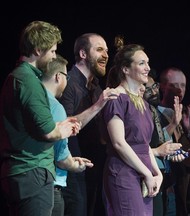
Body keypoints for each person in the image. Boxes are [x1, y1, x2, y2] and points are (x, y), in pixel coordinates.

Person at [0, 21, 81, 216]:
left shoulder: (17, 77)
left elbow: (35, 126)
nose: (54, 56)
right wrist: (63, 129)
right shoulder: (28, 82)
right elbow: (47, 132)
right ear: (38, 50)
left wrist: (61, 124)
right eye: (52, 51)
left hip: (23, 174)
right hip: (32, 172)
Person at [59, 33, 118, 216]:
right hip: (72, 169)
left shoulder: (96, 88)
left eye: (107, 51)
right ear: (83, 54)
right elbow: (64, 127)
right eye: (99, 49)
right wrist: (98, 105)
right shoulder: (68, 83)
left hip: (94, 168)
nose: (106, 55)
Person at [102, 43, 163, 215]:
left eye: (148, 63)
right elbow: (119, 143)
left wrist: (157, 173)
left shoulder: (143, 104)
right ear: (126, 69)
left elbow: (145, 145)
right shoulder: (116, 98)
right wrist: (147, 173)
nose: (147, 68)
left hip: (144, 175)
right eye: (142, 63)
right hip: (124, 173)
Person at [41, 54, 94, 216]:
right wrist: (76, 165)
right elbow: (61, 158)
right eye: (66, 77)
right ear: (58, 76)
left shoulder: (33, 101)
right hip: (51, 184)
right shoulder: (56, 106)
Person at [159, 66, 190, 216]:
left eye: (183, 85)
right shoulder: (154, 112)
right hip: (164, 184)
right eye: (174, 85)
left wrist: (188, 130)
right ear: (162, 86)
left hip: (182, 186)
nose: (179, 90)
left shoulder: (185, 115)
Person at [143, 71, 185, 216]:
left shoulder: (154, 113)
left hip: (165, 181)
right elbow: (140, 146)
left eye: (154, 86)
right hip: (146, 179)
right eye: (148, 89)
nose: (153, 92)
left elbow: (161, 141)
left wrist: (174, 124)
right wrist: (157, 151)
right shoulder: (140, 114)